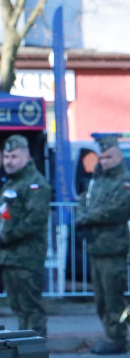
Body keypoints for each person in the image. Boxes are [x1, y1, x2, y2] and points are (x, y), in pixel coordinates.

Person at [76, 135, 130, 354]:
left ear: (119, 156)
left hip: (114, 249)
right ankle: (110, 334)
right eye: (102, 156)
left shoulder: (126, 180)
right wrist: (82, 214)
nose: (105, 160)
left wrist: (88, 217)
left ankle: (118, 338)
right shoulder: (98, 180)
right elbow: (82, 201)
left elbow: (118, 209)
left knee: (114, 296)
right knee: (101, 298)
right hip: (96, 247)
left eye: (109, 156)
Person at [0, 135, 52, 337]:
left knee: (31, 308)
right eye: (6, 156)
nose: (8, 161)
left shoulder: (36, 184)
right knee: (19, 307)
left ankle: (36, 352)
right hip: (10, 257)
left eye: (13, 156)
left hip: (26, 257)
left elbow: (34, 221)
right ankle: (26, 350)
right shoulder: (11, 184)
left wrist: (5, 237)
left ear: (27, 157)